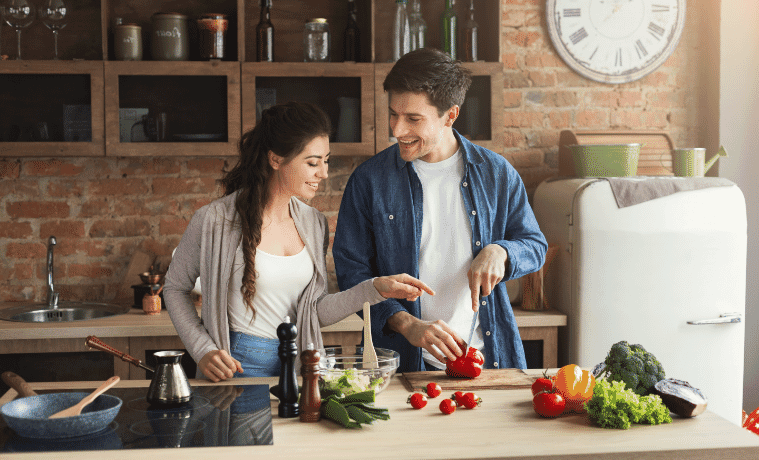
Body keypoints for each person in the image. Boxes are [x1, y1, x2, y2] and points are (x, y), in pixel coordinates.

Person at [164, 101, 433, 382]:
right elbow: (174, 288)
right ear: (276, 159)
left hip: (300, 365)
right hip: (238, 366)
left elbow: (313, 312)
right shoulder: (214, 220)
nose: (324, 173)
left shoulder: (313, 223)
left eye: (326, 161)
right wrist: (202, 349)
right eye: (313, 162)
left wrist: (375, 288)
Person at [333, 48, 547, 373]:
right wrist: (406, 323)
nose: (397, 130)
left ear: (450, 115)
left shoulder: (497, 174)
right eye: (393, 114)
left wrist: (500, 252)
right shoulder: (369, 181)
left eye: (413, 119)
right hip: (402, 364)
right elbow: (352, 272)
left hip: (486, 360)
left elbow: (534, 245)